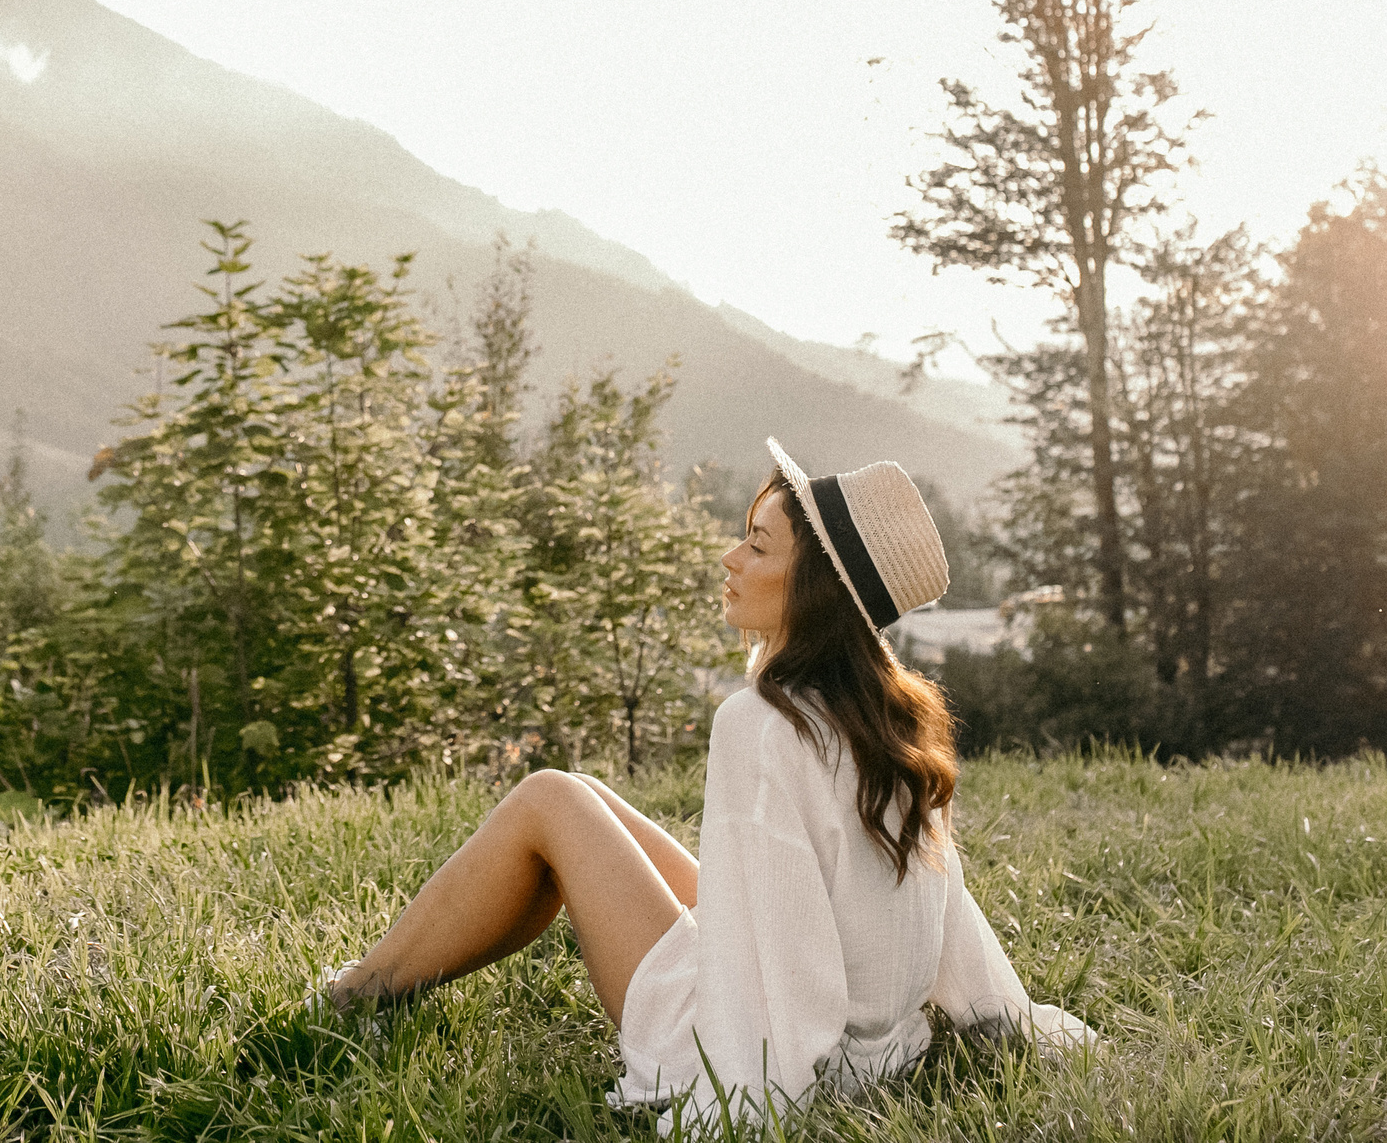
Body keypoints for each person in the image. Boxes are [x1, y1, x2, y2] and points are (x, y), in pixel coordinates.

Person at [316, 437, 1093, 1120]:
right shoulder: (895, 713)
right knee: (581, 794)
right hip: (867, 1037)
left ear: (812, 588)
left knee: (547, 798)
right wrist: (1001, 1015)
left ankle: (356, 994)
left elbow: (777, 987)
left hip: (751, 1041)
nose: (731, 557)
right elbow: (934, 907)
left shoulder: (762, 722)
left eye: (758, 545)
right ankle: (375, 982)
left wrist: (750, 1092)